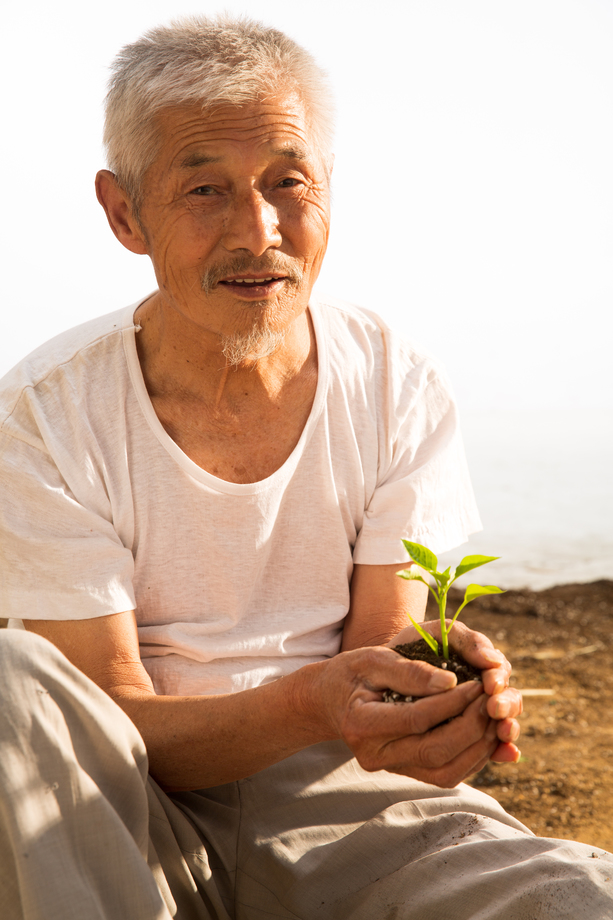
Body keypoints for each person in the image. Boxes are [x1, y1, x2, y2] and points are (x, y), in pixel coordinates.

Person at [0, 15, 611, 920]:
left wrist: (435, 702)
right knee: (12, 677)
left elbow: (382, 648)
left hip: (356, 816)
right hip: (121, 826)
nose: (259, 232)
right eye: (204, 188)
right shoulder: (43, 413)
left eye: (289, 183)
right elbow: (101, 727)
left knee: (574, 896)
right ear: (124, 212)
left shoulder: (396, 379)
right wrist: (315, 702)